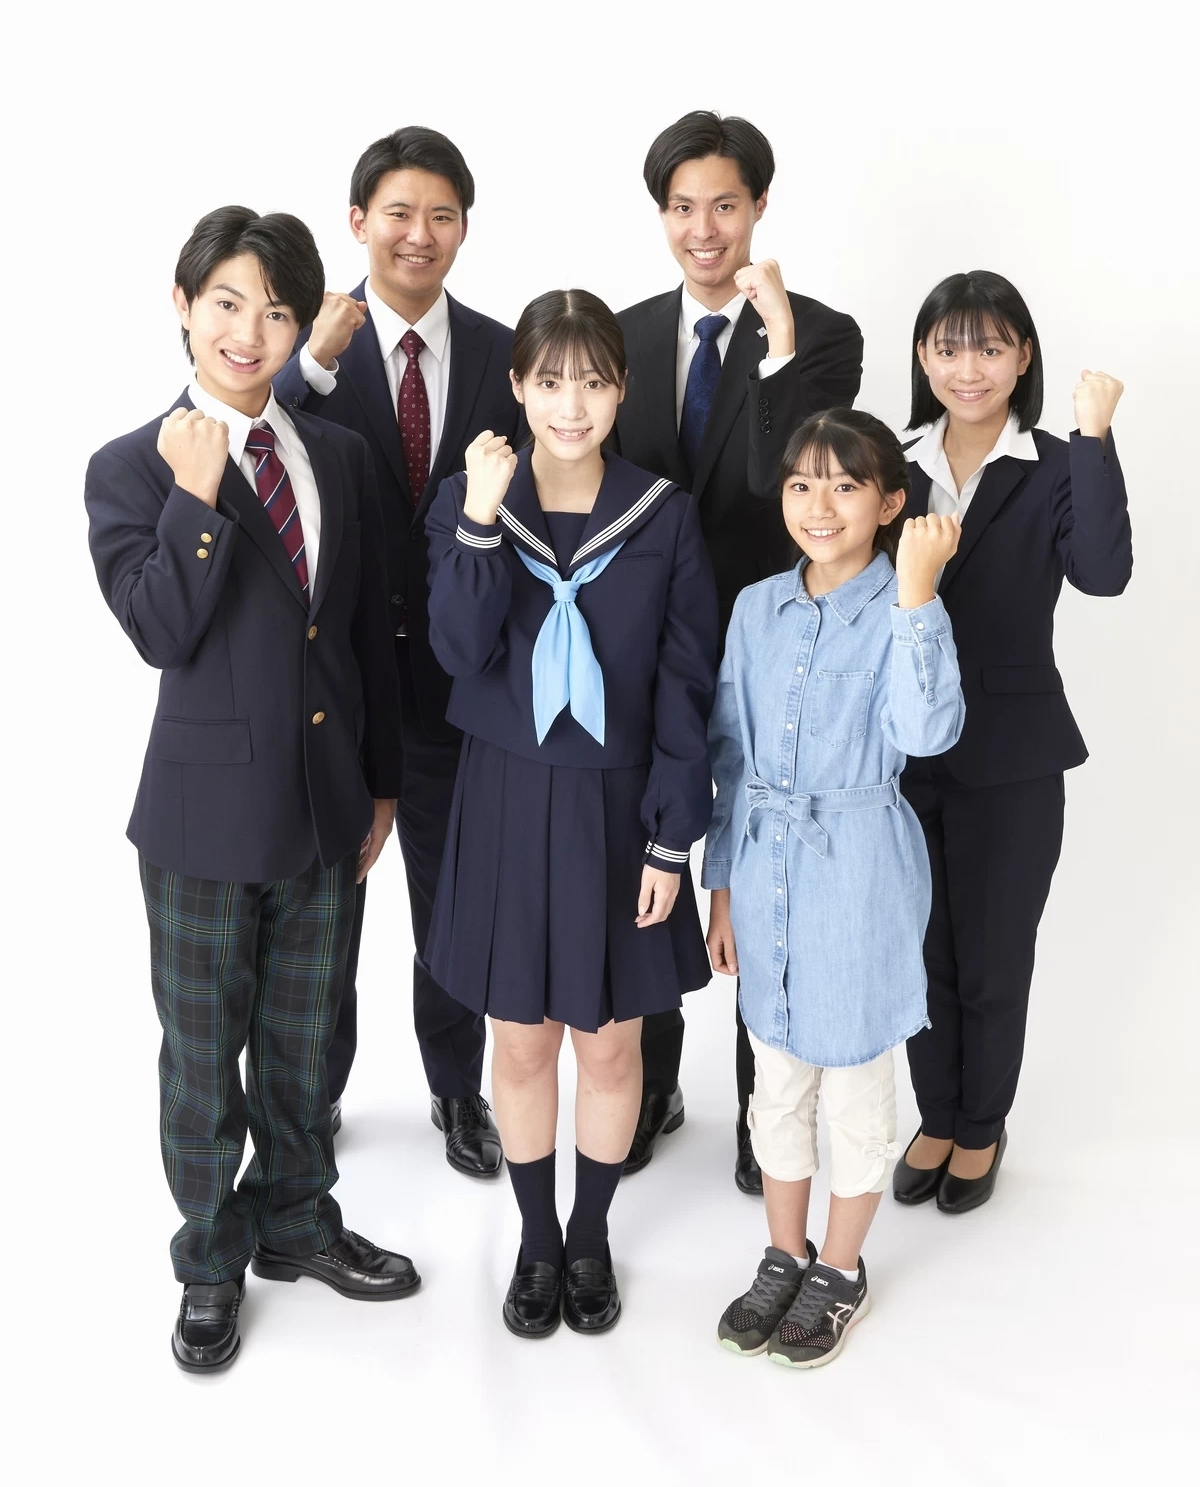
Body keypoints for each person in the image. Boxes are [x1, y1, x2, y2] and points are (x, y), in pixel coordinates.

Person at [84, 207, 420, 1373]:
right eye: (227, 302)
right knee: (201, 1055)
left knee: (303, 1041)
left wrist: (382, 784)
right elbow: (158, 631)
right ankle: (209, 1258)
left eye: (277, 310)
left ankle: (298, 1221)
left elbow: (367, 634)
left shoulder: (341, 456)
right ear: (183, 306)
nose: (250, 330)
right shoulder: (131, 466)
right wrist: (194, 498)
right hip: (203, 820)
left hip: (329, 807)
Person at [422, 289, 718, 1337]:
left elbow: (688, 687)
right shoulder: (472, 502)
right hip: (505, 799)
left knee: (610, 1047)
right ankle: (537, 1239)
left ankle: (589, 1236)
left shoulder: (663, 514)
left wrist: (670, 840)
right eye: (549, 381)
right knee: (520, 1045)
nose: (571, 404)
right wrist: (476, 517)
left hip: (618, 808)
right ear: (517, 386)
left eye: (593, 381)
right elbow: (457, 650)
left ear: (621, 389)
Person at [613, 109, 864, 1191]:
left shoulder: (824, 335)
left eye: (724, 204)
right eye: (682, 207)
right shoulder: (620, 336)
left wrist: (779, 340)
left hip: (777, 645)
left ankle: (771, 1114)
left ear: (760, 205)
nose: (703, 229)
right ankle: (652, 1085)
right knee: (652, 855)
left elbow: (779, 475)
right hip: (646, 646)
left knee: (769, 870)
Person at [275, 127, 519, 1176]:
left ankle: (457, 1089)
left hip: (459, 685)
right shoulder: (300, 355)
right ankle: (315, 1093)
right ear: (358, 221)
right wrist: (313, 362)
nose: (420, 234)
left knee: (453, 900)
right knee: (327, 909)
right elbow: (252, 447)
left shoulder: (507, 353)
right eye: (399, 213)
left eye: (442, 215)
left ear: (464, 228)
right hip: (336, 684)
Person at [705, 409, 965, 1368]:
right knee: (775, 1084)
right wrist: (721, 885)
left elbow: (928, 734)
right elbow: (729, 753)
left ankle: (841, 1270)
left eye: (847, 485)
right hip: (762, 868)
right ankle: (784, 1254)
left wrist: (918, 593)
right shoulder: (756, 608)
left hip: (857, 870)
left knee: (854, 1088)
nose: (820, 504)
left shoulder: (906, 604)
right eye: (802, 483)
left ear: (890, 503)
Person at [891, 270, 1132, 1213]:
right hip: (902, 753)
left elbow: (1102, 573)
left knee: (993, 957)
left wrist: (1096, 437)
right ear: (923, 357)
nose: (969, 369)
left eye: (990, 348)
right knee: (921, 953)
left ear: (1022, 356)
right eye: (948, 348)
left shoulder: (1058, 464)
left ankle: (982, 1123)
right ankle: (936, 1114)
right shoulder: (894, 460)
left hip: (1014, 754)